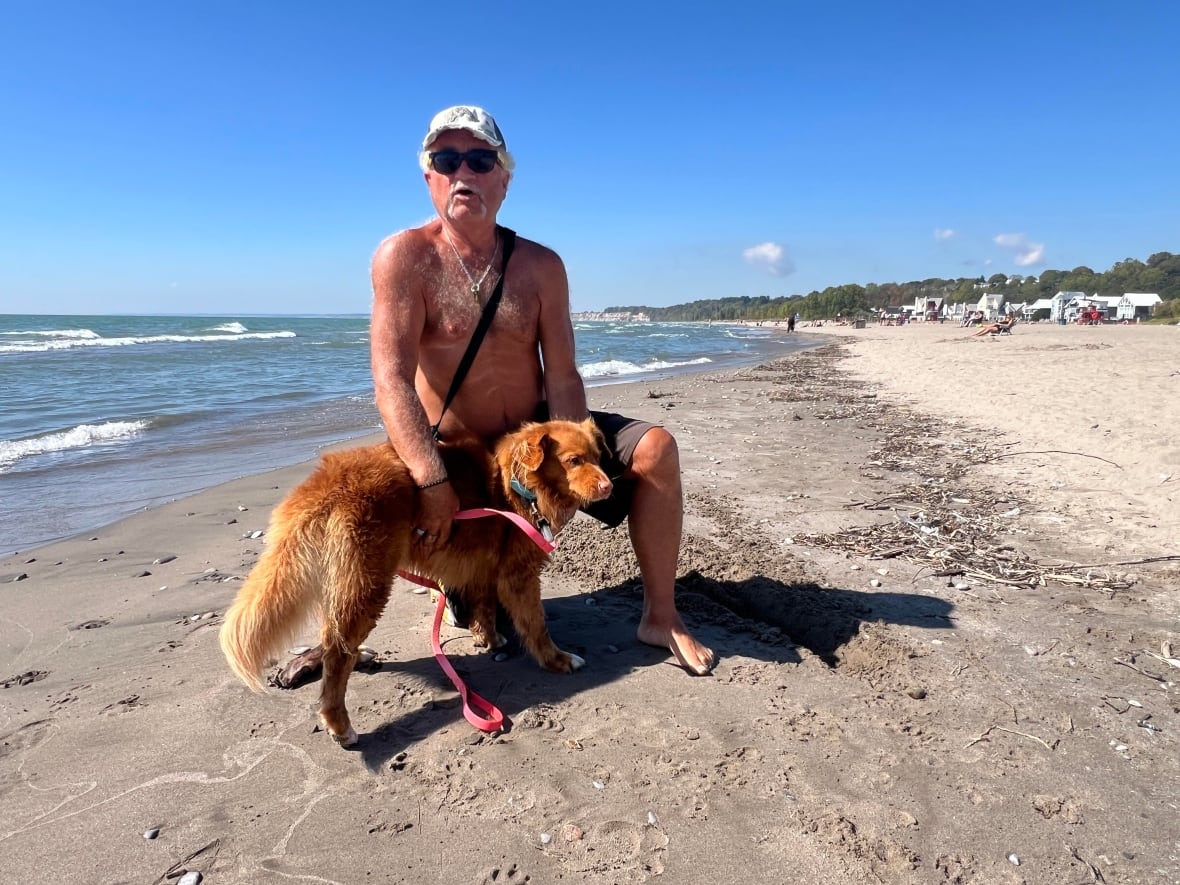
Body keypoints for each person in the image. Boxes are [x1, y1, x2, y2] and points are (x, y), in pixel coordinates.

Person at [366, 105, 714, 676]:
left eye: (480, 161)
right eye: (446, 160)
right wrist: (431, 480)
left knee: (657, 449)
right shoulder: (404, 258)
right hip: (463, 458)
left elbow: (563, 376)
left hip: (540, 439)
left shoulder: (541, 266)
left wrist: (570, 471)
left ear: (504, 178)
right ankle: (418, 600)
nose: (463, 173)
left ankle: (661, 615)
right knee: (470, 601)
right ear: (428, 176)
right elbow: (391, 380)